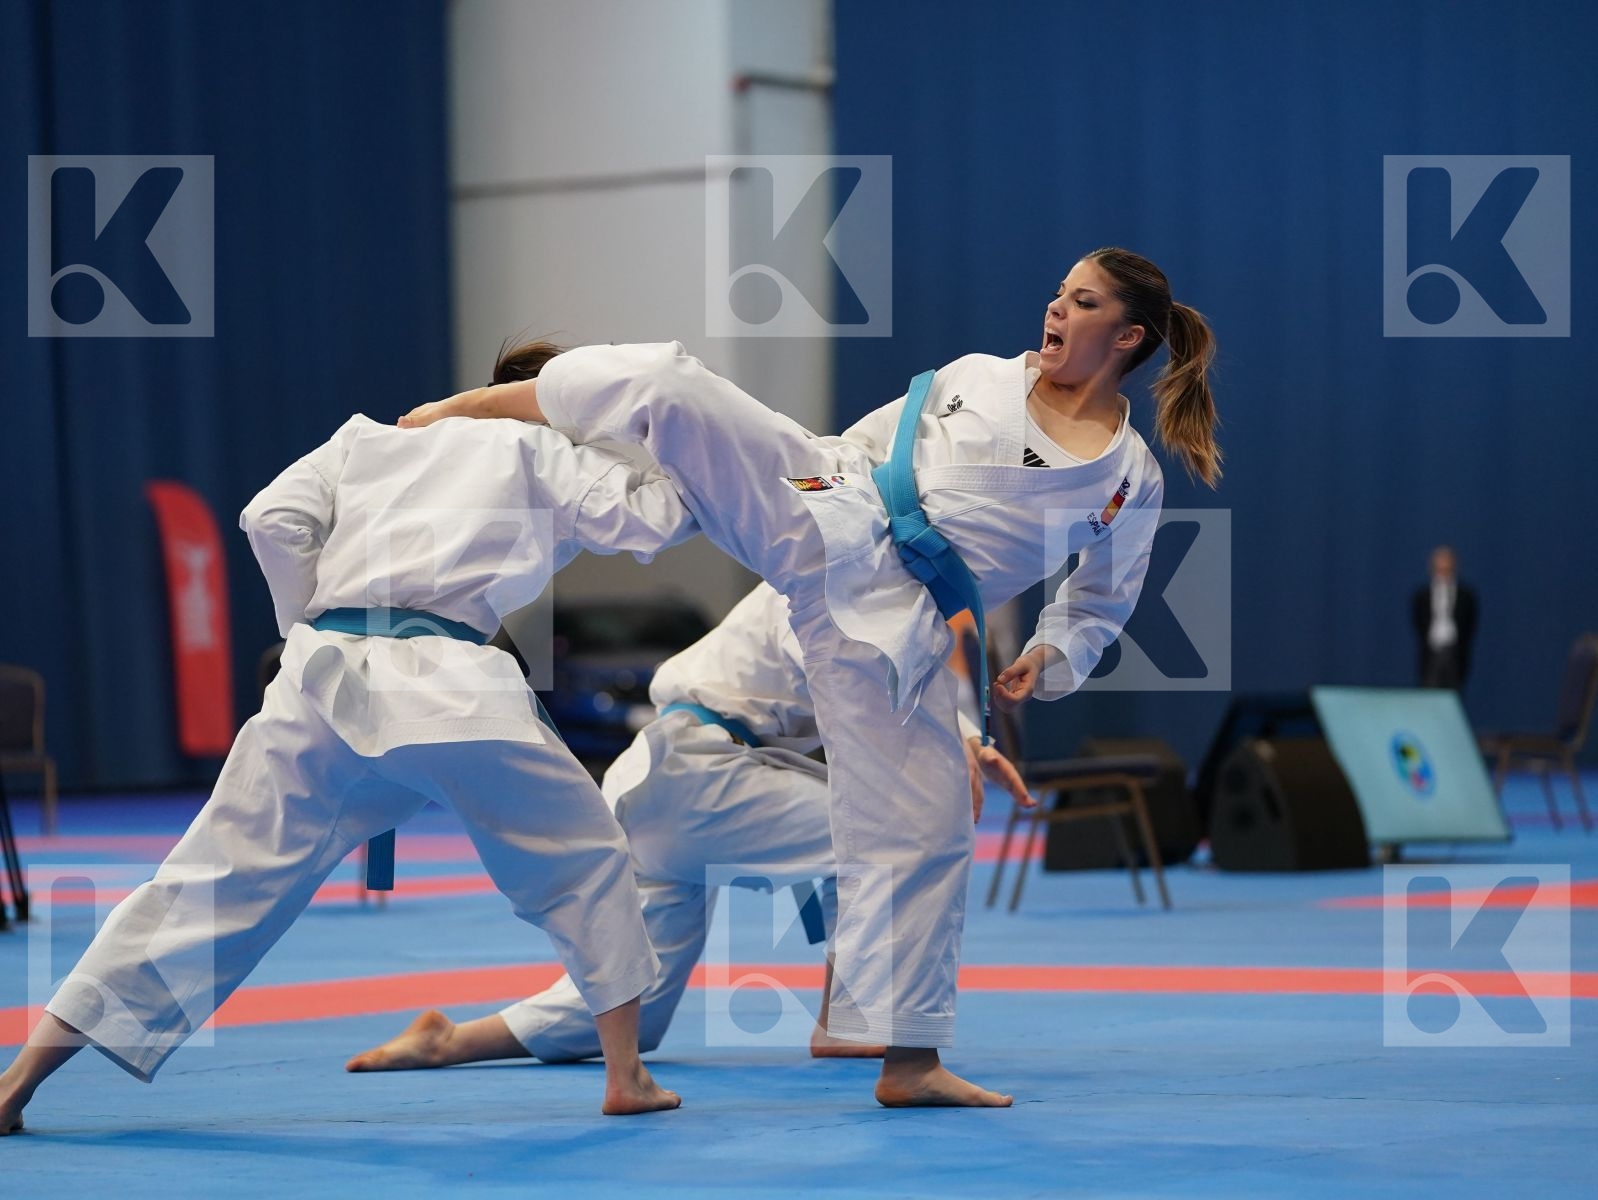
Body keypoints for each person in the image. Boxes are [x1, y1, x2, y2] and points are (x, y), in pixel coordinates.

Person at [400, 247, 1222, 1108]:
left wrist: (1042, 662)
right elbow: (871, 445)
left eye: (1080, 301)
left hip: (900, 625)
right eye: (1057, 292)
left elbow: (1099, 601)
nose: (1055, 309)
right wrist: (782, 474)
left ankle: (906, 1063)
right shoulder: (979, 375)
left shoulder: (1130, 478)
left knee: (931, 831)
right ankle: (469, 413)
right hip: (839, 516)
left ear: (1127, 336)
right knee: (679, 385)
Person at [0, 343, 694, 1136]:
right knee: (585, 860)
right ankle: (624, 1074)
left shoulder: (367, 437)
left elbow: (271, 518)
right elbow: (652, 516)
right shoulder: (542, 446)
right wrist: (698, 448)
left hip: (319, 682)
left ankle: (18, 1078)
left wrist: (309, 628)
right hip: (450, 685)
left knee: (202, 888)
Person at [344, 582, 1032, 1073]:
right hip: (699, 771)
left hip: (660, 781)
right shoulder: (829, 581)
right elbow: (854, 689)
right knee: (888, 837)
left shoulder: (884, 604)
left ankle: (449, 1041)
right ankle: (848, 1022)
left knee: (629, 1019)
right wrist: (961, 738)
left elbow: (889, 688)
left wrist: (962, 735)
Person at [1410, 544, 1478, 689]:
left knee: (1454, 691)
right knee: (1428, 691)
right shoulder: (1422, 596)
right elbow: (1418, 621)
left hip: (1455, 653)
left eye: (1447, 562)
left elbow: (1470, 624)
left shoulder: (1466, 596)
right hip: (1431, 653)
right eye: (1440, 563)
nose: (1443, 567)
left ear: (1454, 565)